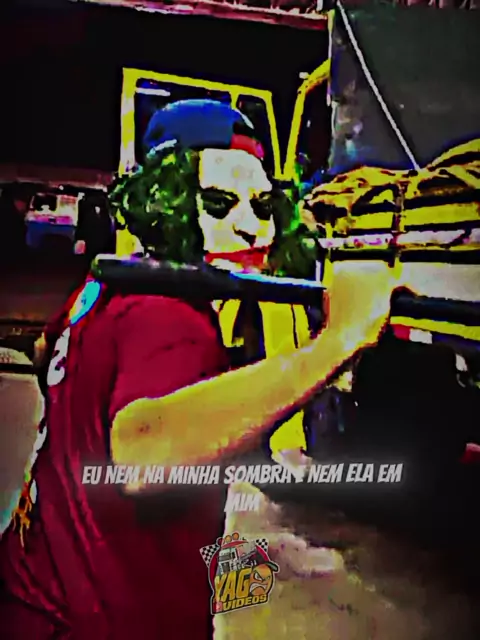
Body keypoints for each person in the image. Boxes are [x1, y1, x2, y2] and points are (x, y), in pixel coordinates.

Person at [0, 99, 401, 639]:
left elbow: (45, 349)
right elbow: (143, 455)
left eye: (262, 206)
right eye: (218, 203)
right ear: (165, 202)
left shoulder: (104, 283)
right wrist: (340, 339)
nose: (250, 228)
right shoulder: (173, 316)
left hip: (32, 589)